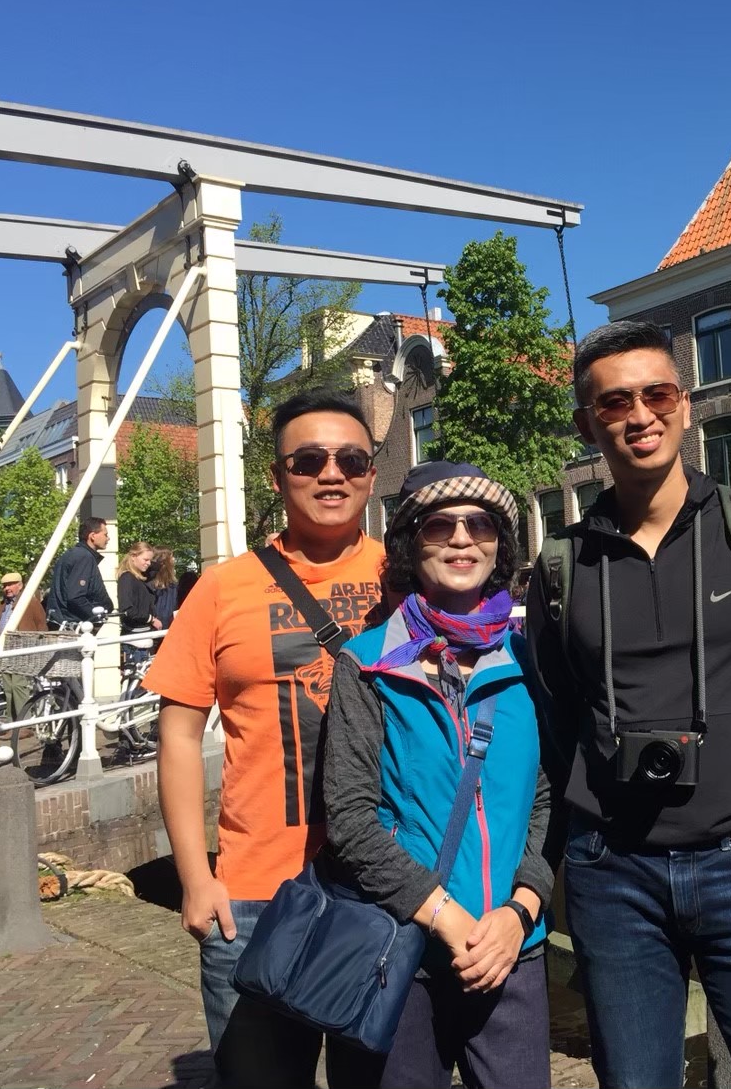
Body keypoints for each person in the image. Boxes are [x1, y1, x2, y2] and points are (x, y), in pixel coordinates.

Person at [528, 320, 731, 1089]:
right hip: (615, 877)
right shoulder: (564, 564)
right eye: (615, 403)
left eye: (657, 394)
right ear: (587, 424)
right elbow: (556, 716)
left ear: (685, 406)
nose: (640, 415)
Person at [146, 390, 387, 1089]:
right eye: (308, 460)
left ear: (371, 475)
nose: (332, 473)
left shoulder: (406, 579)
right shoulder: (223, 588)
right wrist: (196, 880)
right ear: (278, 477)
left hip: (383, 889)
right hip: (255, 895)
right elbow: (178, 736)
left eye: (351, 460)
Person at [323, 462, 553, 1089]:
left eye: (480, 524)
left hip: (511, 950)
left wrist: (520, 911)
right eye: (439, 526)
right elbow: (350, 820)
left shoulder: (527, 660)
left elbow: (543, 800)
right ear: (409, 544)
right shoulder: (367, 665)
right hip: (404, 952)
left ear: (499, 545)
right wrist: (449, 919)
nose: (461, 538)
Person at [0, 571, 48, 722]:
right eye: (5, 586)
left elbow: (41, 625)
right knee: (8, 687)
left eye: (10, 585)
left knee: (18, 685)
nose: (7, 588)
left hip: (22, 649)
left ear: (20, 585)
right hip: (4, 650)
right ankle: (12, 722)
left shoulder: (30, 602)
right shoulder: (3, 605)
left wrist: (39, 646)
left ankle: (24, 723)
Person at [46, 517, 113, 627]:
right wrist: (97, 616)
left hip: (67, 621)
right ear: (92, 536)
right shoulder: (83, 557)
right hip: (74, 625)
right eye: (105, 534)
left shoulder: (72, 555)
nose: (108, 538)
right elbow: (76, 597)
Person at [117, 541, 158, 666]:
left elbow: (158, 567)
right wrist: (151, 619)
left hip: (142, 641)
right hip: (134, 644)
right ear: (133, 557)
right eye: (145, 559)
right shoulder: (127, 578)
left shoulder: (138, 578)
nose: (149, 563)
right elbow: (127, 610)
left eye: (150, 560)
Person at [150, 548, 180, 629]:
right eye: (171, 557)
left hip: (170, 626)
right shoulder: (151, 583)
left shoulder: (173, 585)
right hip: (155, 627)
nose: (174, 560)